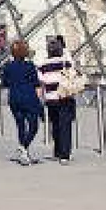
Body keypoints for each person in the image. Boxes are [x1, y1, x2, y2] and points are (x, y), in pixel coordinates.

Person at [0, 39, 45, 165]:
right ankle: (24, 148)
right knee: (33, 126)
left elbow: (5, 83)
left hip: (14, 98)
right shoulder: (30, 66)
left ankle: (24, 153)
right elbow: (36, 84)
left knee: (20, 125)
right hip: (29, 98)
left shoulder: (8, 66)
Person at [36, 34, 80, 163]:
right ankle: (65, 154)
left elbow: (41, 80)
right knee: (65, 125)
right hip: (64, 96)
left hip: (50, 98)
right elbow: (73, 75)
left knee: (55, 124)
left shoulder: (43, 64)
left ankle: (57, 151)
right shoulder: (65, 62)